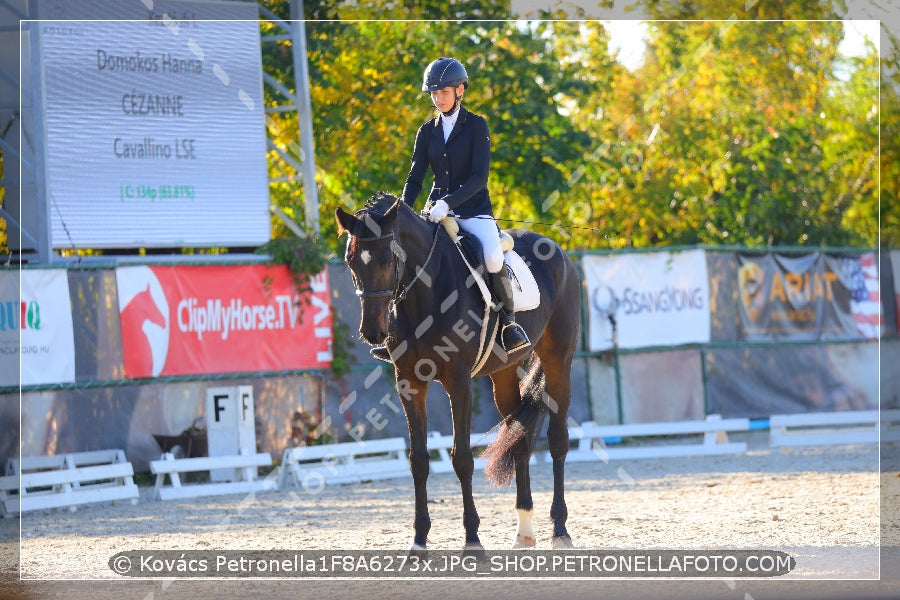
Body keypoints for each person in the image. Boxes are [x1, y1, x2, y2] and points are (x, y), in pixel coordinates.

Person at [369, 57, 529, 363]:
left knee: (494, 256)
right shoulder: (426, 131)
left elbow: (479, 178)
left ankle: (508, 324)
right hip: (435, 213)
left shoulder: (476, 125)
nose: (438, 98)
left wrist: (449, 203)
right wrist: (400, 211)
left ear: (460, 91)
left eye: (444, 92)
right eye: (434, 93)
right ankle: (396, 331)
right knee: (403, 255)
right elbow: (415, 177)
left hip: (473, 212)